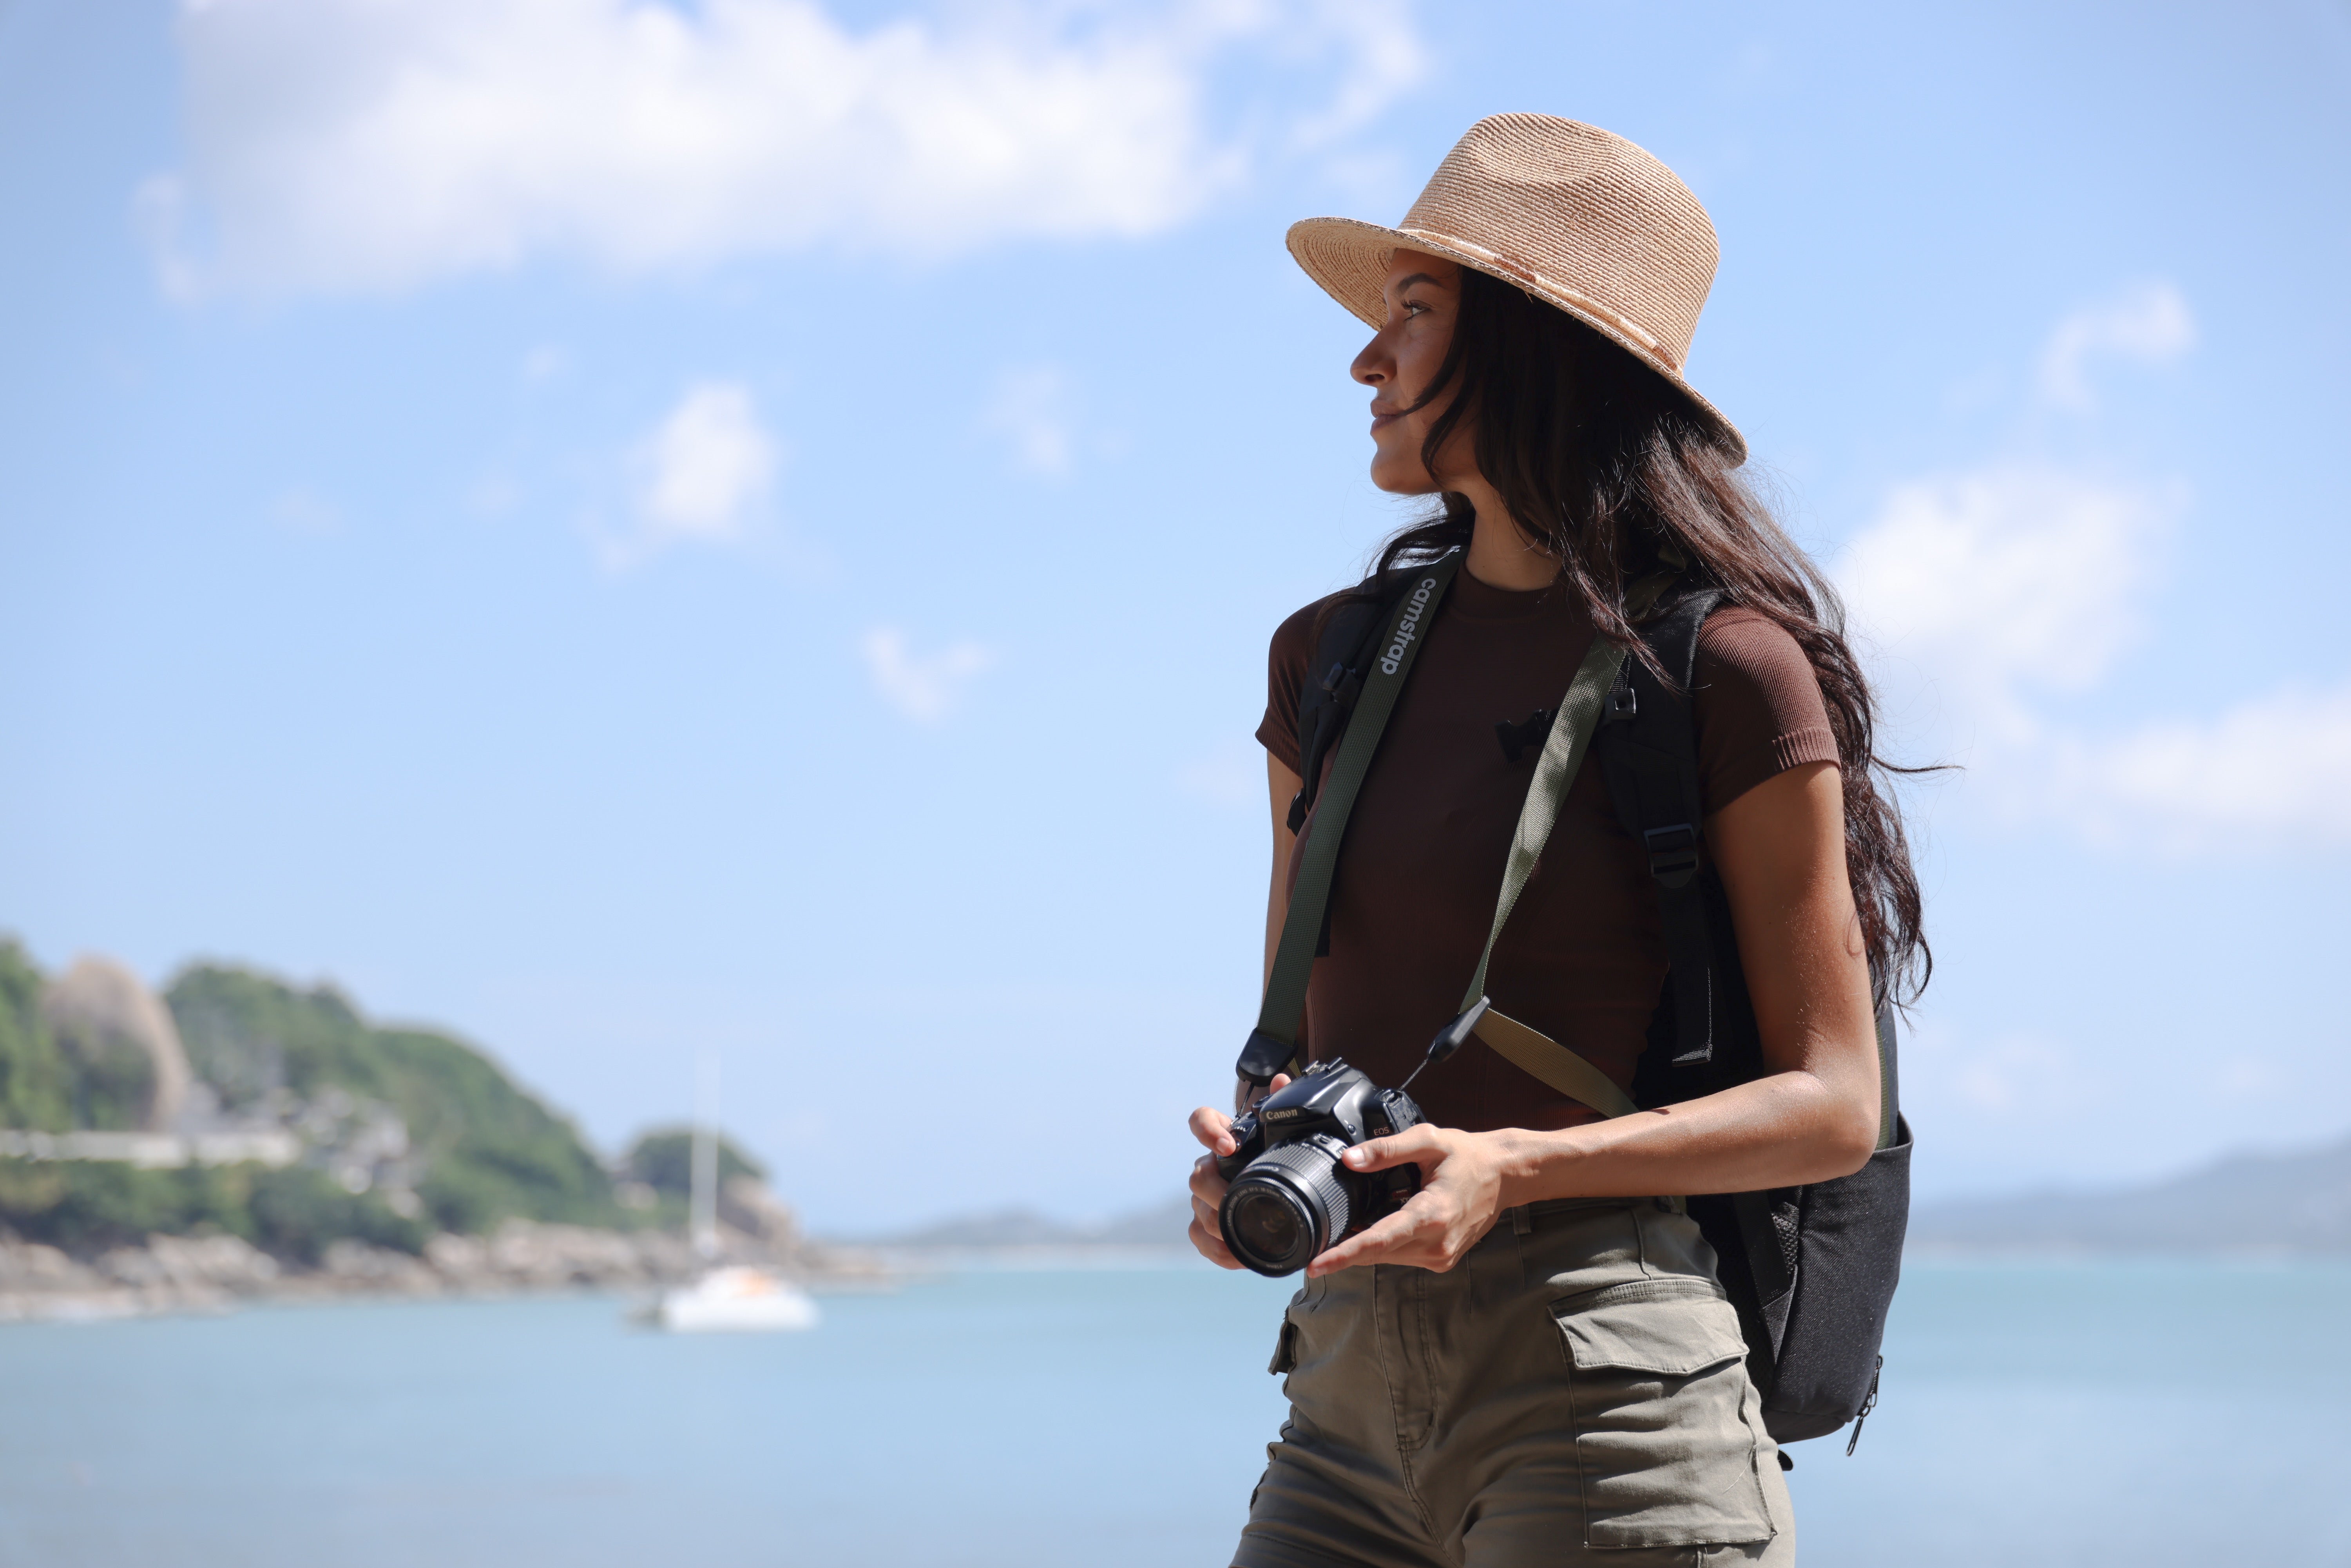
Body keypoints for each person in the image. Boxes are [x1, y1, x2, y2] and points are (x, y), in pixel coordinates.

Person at [1185, 115, 1927, 1568]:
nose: (1365, 360)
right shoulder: (1326, 660)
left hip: (1612, 1395)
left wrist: (1513, 1167)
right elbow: (1303, 1014)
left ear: (1533, 344)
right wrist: (1254, 1152)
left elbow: (1837, 1102)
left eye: (1412, 312)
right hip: (1341, 1386)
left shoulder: (1727, 671)